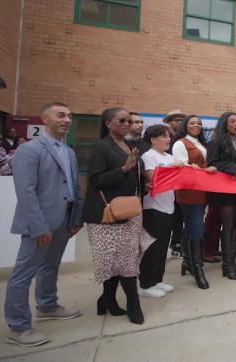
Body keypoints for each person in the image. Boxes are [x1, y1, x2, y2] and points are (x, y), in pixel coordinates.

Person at [3, 103, 83, 347]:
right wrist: (38, 227)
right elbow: (25, 192)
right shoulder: (30, 150)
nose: (67, 120)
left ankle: (47, 306)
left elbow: (75, 187)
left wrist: (76, 217)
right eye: (61, 115)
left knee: (51, 266)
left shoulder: (68, 152)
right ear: (44, 119)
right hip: (40, 222)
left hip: (65, 218)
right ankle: (18, 327)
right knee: (23, 273)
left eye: (69, 116)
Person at [83, 108, 152, 326]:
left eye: (129, 121)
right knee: (119, 261)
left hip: (130, 210)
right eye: (121, 120)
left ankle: (106, 300)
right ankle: (133, 303)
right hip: (108, 213)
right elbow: (95, 181)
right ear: (107, 123)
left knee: (126, 259)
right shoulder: (100, 147)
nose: (126, 124)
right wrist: (123, 168)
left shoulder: (130, 145)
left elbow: (133, 175)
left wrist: (144, 184)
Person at [138, 125, 182, 298]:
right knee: (152, 247)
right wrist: (172, 166)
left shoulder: (169, 156)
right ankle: (145, 284)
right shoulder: (148, 156)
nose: (168, 139)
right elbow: (152, 178)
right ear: (153, 139)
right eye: (164, 136)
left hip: (169, 206)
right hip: (154, 207)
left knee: (163, 246)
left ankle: (157, 280)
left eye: (168, 136)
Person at [206, 112, 236, 281]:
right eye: (232, 121)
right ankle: (227, 264)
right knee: (228, 225)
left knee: (234, 227)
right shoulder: (216, 141)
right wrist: (233, 168)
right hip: (224, 189)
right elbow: (212, 162)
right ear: (224, 123)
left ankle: (232, 262)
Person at [173, 115, 214, 288]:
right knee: (197, 227)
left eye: (199, 123)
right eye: (192, 123)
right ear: (185, 125)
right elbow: (181, 167)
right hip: (189, 190)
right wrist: (202, 168)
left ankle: (188, 261)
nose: (196, 126)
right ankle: (197, 268)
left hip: (202, 189)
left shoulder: (200, 143)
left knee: (191, 225)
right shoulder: (180, 143)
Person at [163, 109, 186, 258]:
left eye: (180, 119)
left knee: (180, 214)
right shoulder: (165, 137)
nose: (178, 122)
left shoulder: (184, 139)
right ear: (169, 122)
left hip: (181, 182)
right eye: (175, 119)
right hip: (166, 182)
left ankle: (177, 243)